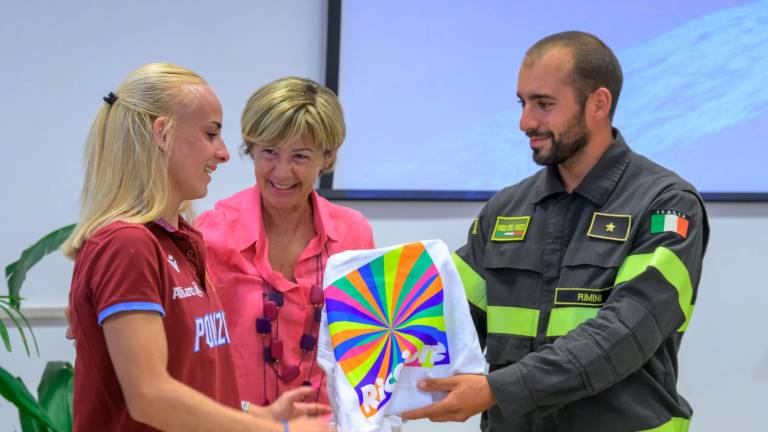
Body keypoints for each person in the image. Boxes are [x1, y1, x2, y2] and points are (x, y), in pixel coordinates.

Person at [403, 31, 709, 431]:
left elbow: (622, 334)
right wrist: (360, 347)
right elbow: (441, 315)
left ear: (599, 103)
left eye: (544, 104)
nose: (525, 122)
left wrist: (498, 389)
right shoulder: (505, 210)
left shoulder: (666, 206)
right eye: (523, 102)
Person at [62, 63, 331, 432]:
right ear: (162, 133)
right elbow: (150, 396)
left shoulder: (181, 241)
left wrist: (257, 414)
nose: (223, 153)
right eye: (211, 134)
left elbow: (191, 382)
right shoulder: (127, 244)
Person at [195, 77, 374, 408]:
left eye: (301, 157)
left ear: (328, 158)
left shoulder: (354, 233)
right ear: (252, 150)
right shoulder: (210, 234)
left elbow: (365, 345)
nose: (282, 171)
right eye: (270, 152)